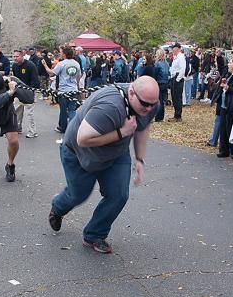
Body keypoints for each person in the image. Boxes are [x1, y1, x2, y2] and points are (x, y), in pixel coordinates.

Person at [48, 76, 159, 253]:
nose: (149, 108)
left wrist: (139, 159)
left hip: (115, 153)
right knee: (78, 195)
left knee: (119, 195)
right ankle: (58, 207)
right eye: (145, 104)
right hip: (79, 152)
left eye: (152, 104)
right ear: (131, 92)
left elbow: (142, 128)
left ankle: (94, 234)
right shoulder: (111, 107)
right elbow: (83, 139)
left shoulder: (150, 103)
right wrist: (122, 132)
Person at [41, 45, 81, 134]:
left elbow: (52, 74)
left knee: (63, 110)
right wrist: (77, 87)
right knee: (72, 109)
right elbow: (79, 77)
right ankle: (73, 127)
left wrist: (45, 65)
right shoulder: (76, 64)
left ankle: (63, 127)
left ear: (65, 54)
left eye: (61, 52)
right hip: (73, 89)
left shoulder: (62, 64)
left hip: (63, 90)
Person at [12, 49, 40, 138]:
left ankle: (32, 131)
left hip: (29, 91)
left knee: (29, 113)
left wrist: (31, 90)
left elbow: (35, 81)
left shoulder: (30, 65)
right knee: (16, 110)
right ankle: (17, 128)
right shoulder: (14, 66)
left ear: (22, 56)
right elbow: (15, 78)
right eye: (14, 56)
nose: (15, 58)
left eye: (17, 56)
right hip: (18, 91)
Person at [168, 43, 186, 122]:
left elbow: (182, 69)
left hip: (178, 78)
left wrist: (177, 79)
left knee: (177, 97)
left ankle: (178, 116)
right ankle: (176, 114)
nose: (173, 50)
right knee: (174, 97)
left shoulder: (181, 57)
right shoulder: (175, 57)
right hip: (173, 77)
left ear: (178, 48)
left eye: (174, 48)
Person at [154, 48, 170, 122]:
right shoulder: (166, 63)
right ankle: (161, 116)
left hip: (159, 82)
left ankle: (158, 117)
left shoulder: (157, 64)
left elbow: (155, 74)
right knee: (162, 100)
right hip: (165, 83)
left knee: (159, 101)